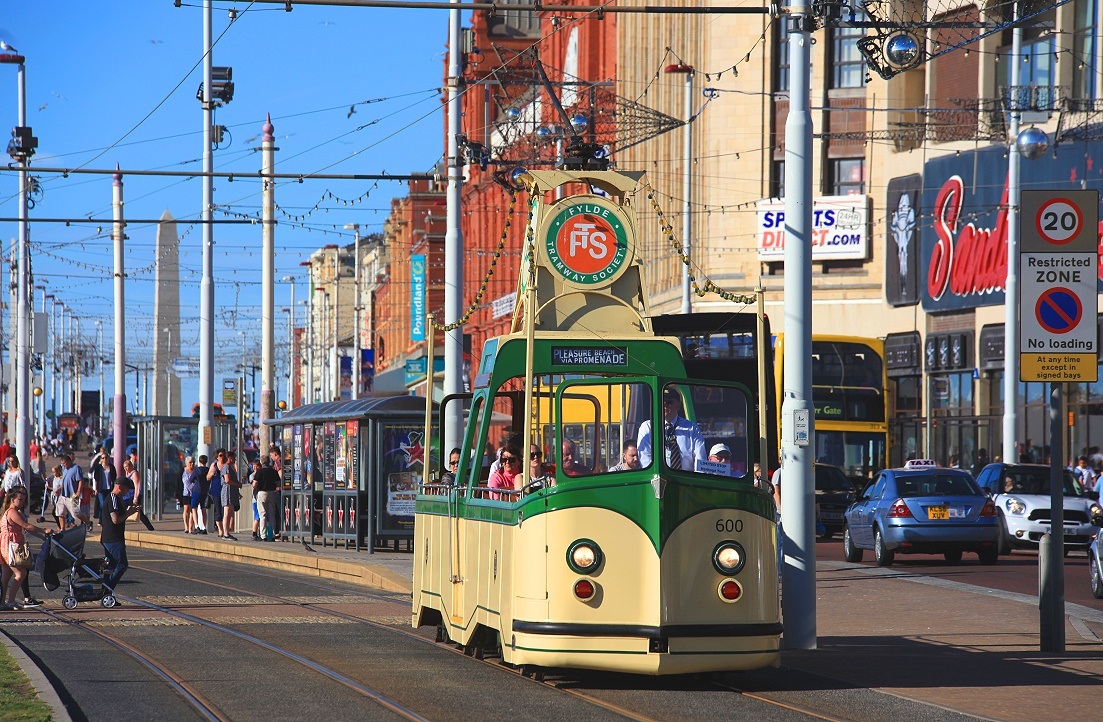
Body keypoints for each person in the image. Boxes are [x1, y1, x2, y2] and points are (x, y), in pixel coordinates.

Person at [1, 487, 49, 610]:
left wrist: (41, 536)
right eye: (20, 499)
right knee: (21, 573)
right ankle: (11, 601)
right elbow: (26, 526)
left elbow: (25, 529)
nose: (22, 502)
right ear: (12, 499)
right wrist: (43, 530)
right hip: (11, 546)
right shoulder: (12, 512)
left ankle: (2, 602)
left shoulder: (11, 511)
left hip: (9, 545)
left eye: (23, 500)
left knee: (6, 575)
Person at [637, 388, 707, 471]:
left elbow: (700, 460)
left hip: (686, 480)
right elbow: (644, 459)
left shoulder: (692, 428)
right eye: (661, 401)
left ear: (678, 405)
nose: (665, 405)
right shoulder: (647, 427)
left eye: (669, 402)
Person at [101, 476, 137, 593]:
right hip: (113, 538)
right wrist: (128, 513)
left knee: (110, 567)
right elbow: (115, 519)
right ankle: (107, 589)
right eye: (126, 489)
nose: (127, 492)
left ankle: (107, 594)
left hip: (112, 538)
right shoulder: (113, 498)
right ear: (120, 487)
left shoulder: (116, 499)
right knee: (121, 564)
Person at [251, 459, 281, 541]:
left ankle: (263, 535)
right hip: (272, 493)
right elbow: (278, 483)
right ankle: (274, 534)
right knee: (272, 514)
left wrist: (257, 487)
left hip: (262, 493)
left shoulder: (259, 472)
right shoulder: (273, 471)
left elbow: (254, 484)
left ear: (262, 463)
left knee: (262, 514)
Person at [56, 454, 87, 529]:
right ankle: (62, 529)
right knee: (60, 512)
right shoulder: (65, 469)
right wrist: (59, 490)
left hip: (73, 495)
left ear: (69, 461)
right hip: (63, 495)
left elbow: (80, 480)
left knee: (76, 513)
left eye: (64, 463)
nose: (63, 465)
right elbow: (64, 481)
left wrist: (78, 492)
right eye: (62, 463)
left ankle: (88, 522)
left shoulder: (76, 468)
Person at [220, 453, 242, 541]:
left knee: (229, 512)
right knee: (227, 512)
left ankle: (227, 532)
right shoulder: (226, 467)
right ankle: (225, 533)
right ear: (229, 458)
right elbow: (227, 480)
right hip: (227, 491)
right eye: (233, 457)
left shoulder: (230, 467)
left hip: (232, 491)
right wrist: (238, 484)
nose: (234, 459)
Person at [92, 454, 117, 521]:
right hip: (101, 489)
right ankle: (103, 519)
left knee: (107, 503)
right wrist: (96, 489)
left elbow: (114, 478)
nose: (105, 459)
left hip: (109, 488)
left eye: (106, 458)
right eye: (103, 458)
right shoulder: (98, 468)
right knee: (102, 504)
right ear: (101, 459)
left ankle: (103, 519)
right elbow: (96, 479)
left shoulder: (111, 467)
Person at [181, 456, 201, 534]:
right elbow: (179, 483)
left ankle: (190, 527)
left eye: (193, 462)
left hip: (194, 492)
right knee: (186, 509)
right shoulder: (183, 471)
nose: (192, 464)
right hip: (186, 492)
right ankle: (186, 526)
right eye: (190, 462)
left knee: (193, 509)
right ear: (186, 463)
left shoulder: (196, 471)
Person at [207, 451, 225, 538]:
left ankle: (226, 530)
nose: (222, 457)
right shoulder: (214, 465)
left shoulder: (227, 464)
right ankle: (221, 530)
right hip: (216, 489)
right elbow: (207, 477)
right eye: (220, 455)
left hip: (226, 490)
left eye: (224, 455)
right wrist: (211, 473)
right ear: (217, 457)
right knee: (218, 510)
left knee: (225, 511)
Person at [194, 454, 211, 535]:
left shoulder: (196, 470)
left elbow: (191, 479)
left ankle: (196, 526)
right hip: (205, 491)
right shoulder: (208, 470)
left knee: (194, 508)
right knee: (203, 509)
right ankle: (204, 527)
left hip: (197, 490)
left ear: (199, 461)